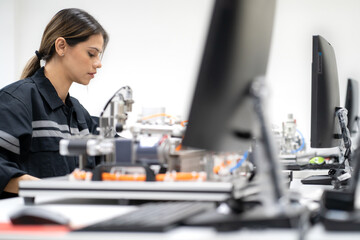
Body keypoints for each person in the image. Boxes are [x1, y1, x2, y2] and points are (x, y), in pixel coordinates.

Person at [0, 8, 109, 199]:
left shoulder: (77, 113)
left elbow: (117, 145)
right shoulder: (17, 101)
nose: (98, 63)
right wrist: (52, 189)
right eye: (92, 54)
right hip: (28, 222)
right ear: (61, 46)